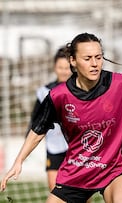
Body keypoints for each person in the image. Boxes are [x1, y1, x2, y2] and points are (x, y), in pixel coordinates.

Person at [1, 32, 122, 203]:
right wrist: (18, 162)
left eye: (98, 57)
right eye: (88, 58)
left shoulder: (119, 83)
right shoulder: (58, 96)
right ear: (73, 61)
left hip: (116, 167)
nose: (95, 63)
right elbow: (37, 130)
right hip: (78, 169)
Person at [28, 46, 71, 191]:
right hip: (54, 146)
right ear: (54, 67)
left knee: (81, 195)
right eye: (60, 67)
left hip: (76, 147)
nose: (64, 71)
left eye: (67, 67)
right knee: (55, 191)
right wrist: (28, 139)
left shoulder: (79, 90)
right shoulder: (44, 92)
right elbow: (36, 118)